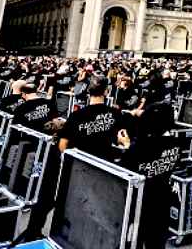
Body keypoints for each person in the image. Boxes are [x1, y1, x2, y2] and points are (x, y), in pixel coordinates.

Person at [117, 103, 180, 249]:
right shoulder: (176, 144)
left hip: (140, 205)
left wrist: (127, 146)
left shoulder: (140, 147)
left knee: (134, 241)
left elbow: (125, 171)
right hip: (162, 202)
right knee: (157, 243)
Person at [58, 76, 123, 160]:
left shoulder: (76, 115)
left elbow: (62, 145)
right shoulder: (116, 113)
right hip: (104, 165)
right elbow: (121, 140)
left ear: (88, 91)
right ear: (106, 92)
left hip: (78, 165)